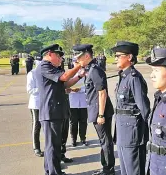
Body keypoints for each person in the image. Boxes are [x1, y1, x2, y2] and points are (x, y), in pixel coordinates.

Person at [36, 44, 88, 175]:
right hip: (51, 112)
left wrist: (80, 76)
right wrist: (78, 65)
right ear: (49, 54)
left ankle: (51, 170)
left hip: (57, 111)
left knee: (54, 145)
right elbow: (64, 77)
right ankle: (54, 172)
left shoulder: (52, 68)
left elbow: (66, 83)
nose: (61, 59)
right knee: (52, 146)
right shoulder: (44, 66)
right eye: (58, 55)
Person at [72, 44, 115, 175]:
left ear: (86, 56)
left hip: (101, 112)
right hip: (97, 110)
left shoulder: (95, 70)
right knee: (104, 141)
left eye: (79, 58)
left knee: (106, 141)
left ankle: (109, 170)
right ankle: (106, 168)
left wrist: (101, 114)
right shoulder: (90, 69)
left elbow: (102, 93)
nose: (77, 60)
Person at [112, 41, 150, 175]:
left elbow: (144, 108)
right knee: (125, 170)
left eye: (118, 55)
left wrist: (148, 132)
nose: (115, 58)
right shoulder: (123, 76)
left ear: (129, 57)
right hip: (123, 130)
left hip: (133, 133)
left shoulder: (134, 78)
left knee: (133, 170)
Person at [26, 60, 44, 157]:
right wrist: (42, 88)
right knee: (36, 126)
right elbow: (30, 90)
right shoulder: (32, 74)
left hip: (45, 103)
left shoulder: (47, 73)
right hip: (36, 104)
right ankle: (36, 147)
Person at [68, 71, 88, 147]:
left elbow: (89, 87)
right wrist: (72, 90)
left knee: (83, 121)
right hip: (73, 102)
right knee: (73, 122)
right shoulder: (70, 75)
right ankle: (73, 139)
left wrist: (81, 90)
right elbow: (65, 87)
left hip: (83, 102)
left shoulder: (86, 75)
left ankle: (83, 138)